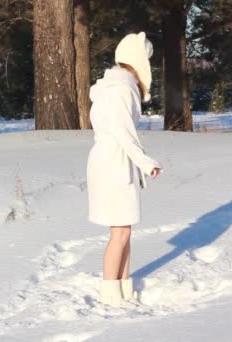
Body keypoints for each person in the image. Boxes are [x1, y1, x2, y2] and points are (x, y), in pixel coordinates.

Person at [86, 32, 161, 307]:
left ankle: (124, 288)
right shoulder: (120, 90)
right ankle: (110, 293)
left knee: (124, 230)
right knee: (119, 232)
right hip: (113, 162)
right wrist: (147, 162)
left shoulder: (115, 86)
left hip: (114, 161)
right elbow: (123, 133)